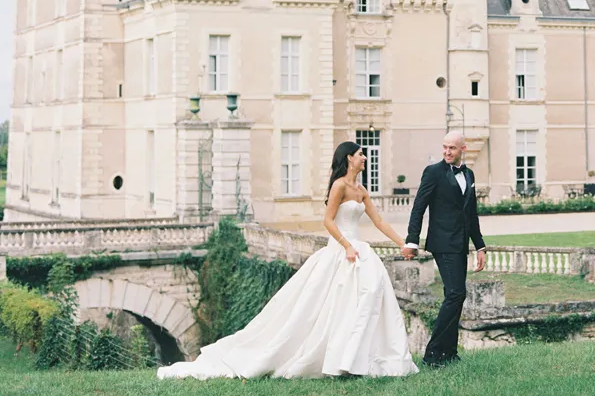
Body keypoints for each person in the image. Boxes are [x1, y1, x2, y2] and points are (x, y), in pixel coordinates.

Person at [158, 142, 418, 381]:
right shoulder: (339, 186)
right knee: (326, 306)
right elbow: (327, 221)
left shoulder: (361, 190)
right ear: (350, 158)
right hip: (341, 250)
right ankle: (335, 359)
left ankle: (357, 358)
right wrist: (347, 245)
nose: (365, 157)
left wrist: (403, 243)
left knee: (367, 297)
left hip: (359, 250)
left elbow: (379, 221)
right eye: (361, 154)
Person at [404, 131, 486, 367]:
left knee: (457, 295)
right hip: (442, 242)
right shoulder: (433, 172)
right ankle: (433, 354)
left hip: (460, 244)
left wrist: (479, 245)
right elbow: (418, 207)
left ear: (463, 149)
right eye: (444, 147)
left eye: (452, 148)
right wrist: (412, 241)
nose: (447, 152)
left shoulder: (469, 174)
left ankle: (449, 353)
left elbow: (471, 213)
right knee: (455, 293)